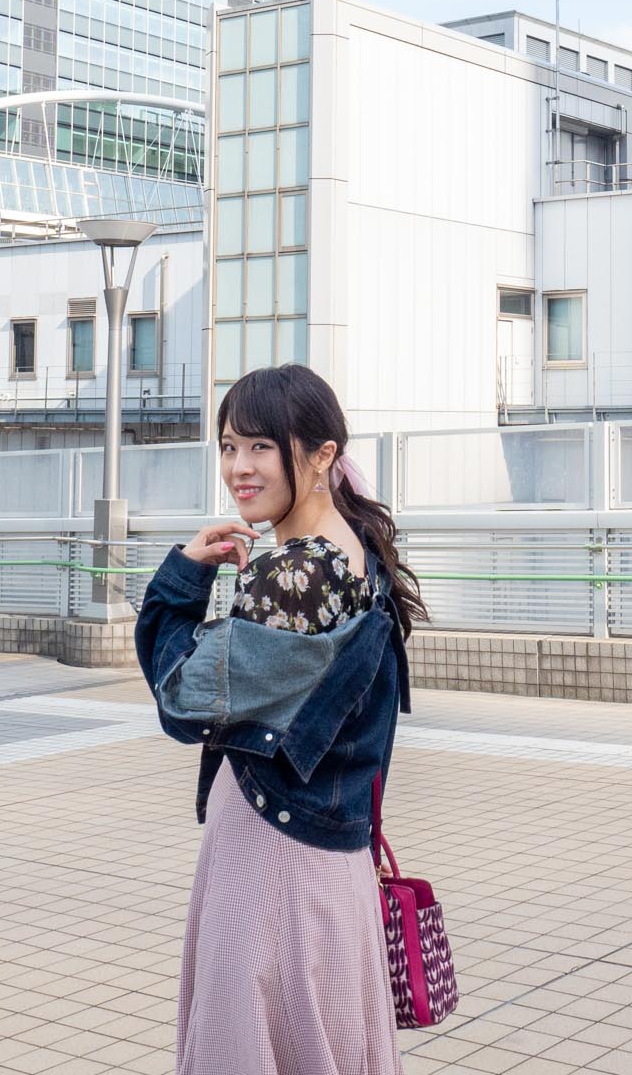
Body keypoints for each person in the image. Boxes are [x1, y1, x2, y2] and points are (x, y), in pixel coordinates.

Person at [136, 364, 429, 1075]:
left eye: (262, 447)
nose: (240, 467)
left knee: (248, 1042)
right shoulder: (359, 554)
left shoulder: (295, 576)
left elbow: (182, 697)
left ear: (322, 455)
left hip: (271, 857)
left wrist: (180, 578)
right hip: (332, 862)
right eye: (230, 445)